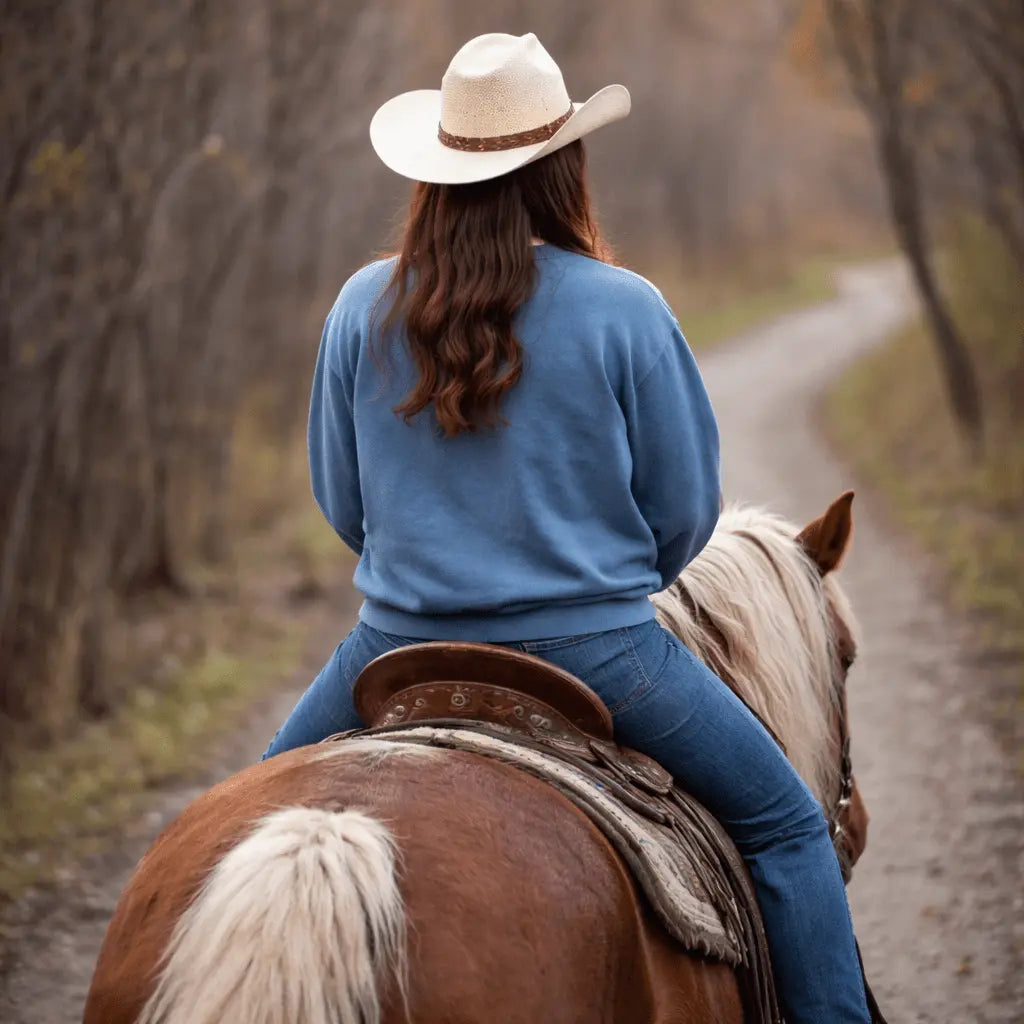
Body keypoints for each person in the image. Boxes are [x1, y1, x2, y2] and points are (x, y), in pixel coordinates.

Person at [262, 32, 872, 1023]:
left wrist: (426, 565)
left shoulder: (357, 307)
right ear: (565, 162)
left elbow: (342, 504)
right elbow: (684, 516)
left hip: (396, 643)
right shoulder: (626, 308)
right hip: (604, 654)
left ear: (437, 170)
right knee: (788, 827)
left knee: (229, 829)